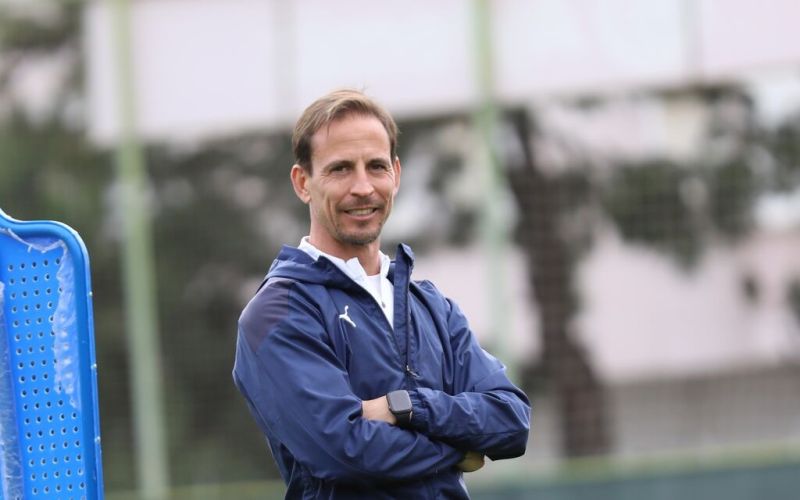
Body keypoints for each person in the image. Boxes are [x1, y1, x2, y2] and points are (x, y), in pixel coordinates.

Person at [232, 89, 530, 499]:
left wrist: (405, 406)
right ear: (303, 183)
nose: (363, 187)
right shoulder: (275, 314)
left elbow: (511, 420)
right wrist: (461, 447)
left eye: (375, 166)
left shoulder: (431, 306)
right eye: (340, 169)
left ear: (396, 174)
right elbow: (345, 452)